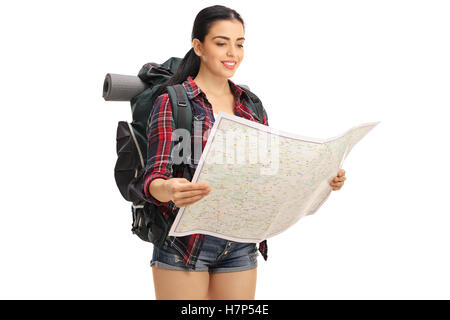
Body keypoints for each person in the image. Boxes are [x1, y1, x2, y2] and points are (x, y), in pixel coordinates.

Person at [143, 5, 347, 300]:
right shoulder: (173, 102)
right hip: (183, 246)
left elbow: (269, 175)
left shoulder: (250, 105)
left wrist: (321, 179)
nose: (232, 53)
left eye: (239, 44)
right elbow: (153, 180)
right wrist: (169, 189)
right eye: (221, 43)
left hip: (239, 244)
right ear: (198, 47)